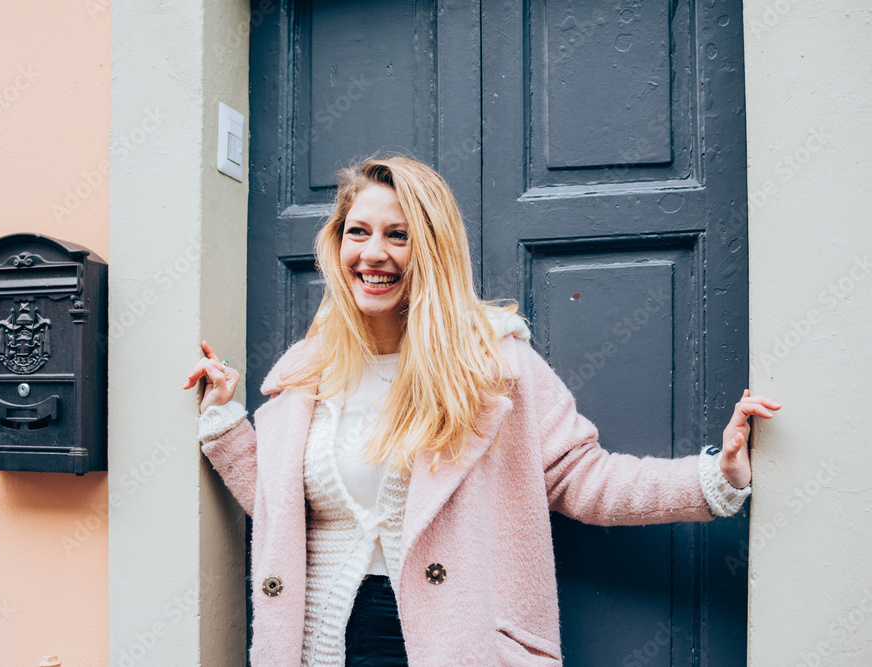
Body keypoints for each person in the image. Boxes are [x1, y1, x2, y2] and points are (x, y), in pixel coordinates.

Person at [183, 156, 780, 667]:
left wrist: (712, 478)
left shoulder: (492, 362)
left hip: (451, 641)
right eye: (357, 232)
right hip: (319, 641)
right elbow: (278, 504)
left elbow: (582, 476)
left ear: (432, 248)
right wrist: (224, 425)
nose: (373, 254)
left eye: (398, 234)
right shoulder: (305, 371)